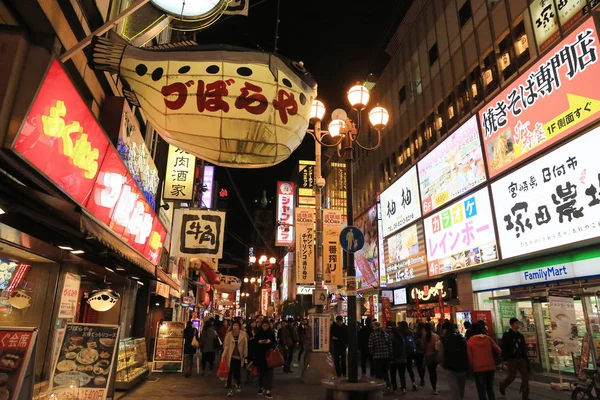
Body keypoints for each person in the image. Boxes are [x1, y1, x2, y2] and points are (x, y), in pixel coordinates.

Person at [468, 322, 502, 400]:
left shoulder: (470, 341)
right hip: (490, 367)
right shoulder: (488, 338)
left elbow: (469, 357)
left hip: (478, 368)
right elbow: (499, 350)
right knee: (490, 388)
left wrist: (470, 369)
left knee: (481, 390)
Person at [500, 318, 530, 400]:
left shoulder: (520, 335)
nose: (518, 325)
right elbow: (503, 347)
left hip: (521, 358)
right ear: (512, 324)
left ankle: (525, 396)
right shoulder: (506, 335)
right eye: (516, 323)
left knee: (525, 377)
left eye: (518, 323)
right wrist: (504, 359)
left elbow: (523, 347)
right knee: (512, 376)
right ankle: (503, 385)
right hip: (511, 358)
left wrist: (526, 359)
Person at [438, 321, 468, 400]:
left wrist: (442, 363)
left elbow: (441, 354)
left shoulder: (444, 340)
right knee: (461, 389)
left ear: (446, 330)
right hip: (463, 366)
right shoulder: (461, 338)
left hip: (450, 367)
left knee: (455, 390)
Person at [222, 321, 248, 397]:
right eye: (234, 325)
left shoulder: (243, 335)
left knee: (238, 372)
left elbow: (245, 346)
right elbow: (226, 346)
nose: (235, 327)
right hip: (230, 356)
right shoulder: (229, 335)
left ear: (239, 327)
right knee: (229, 373)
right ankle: (229, 389)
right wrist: (223, 355)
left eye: (237, 325)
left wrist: (246, 355)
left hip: (239, 357)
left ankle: (238, 383)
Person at [255, 319, 276, 399]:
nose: (265, 327)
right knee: (260, 373)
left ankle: (268, 390)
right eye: (263, 326)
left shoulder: (271, 333)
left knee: (269, 374)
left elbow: (274, 344)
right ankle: (261, 387)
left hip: (269, 356)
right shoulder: (258, 333)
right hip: (260, 356)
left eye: (266, 326)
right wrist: (259, 342)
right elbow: (254, 343)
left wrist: (270, 342)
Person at [369, 321, 392, 389]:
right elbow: (390, 346)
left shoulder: (373, 335)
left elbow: (370, 346)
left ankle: (379, 387)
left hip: (377, 356)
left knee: (378, 373)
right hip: (386, 356)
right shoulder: (386, 334)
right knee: (385, 372)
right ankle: (388, 385)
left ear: (375, 326)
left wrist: (373, 353)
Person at [399, 321, 418, 391]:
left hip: (403, 353)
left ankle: (403, 387)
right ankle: (413, 383)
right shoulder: (410, 332)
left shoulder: (400, 333)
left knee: (402, 370)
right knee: (410, 368)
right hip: (410, 352)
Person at [422, 322, 440, 395]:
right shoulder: (436, 336)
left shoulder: (424, 336)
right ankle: (435, 387)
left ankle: (434, 388)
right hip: (435, 356)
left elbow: (423, 347)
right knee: (434, 372)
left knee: (431, 372)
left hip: (428, 357)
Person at [389, 326, 408, 393]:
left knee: (393, 374)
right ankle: (403, 388)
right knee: (402, 374)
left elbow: (391, 349)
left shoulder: (392, 339)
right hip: (403, 359)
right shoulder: (401, 338)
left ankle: (395, 388)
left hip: (395, 359)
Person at [245, 319, 258, 383]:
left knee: (254, 362)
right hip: (249, 348)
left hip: (255, 348)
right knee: (249, 362)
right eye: (252, 323)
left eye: (255, 323)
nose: (253, 324)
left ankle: (253, 375)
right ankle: (248, 377)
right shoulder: (247, 331)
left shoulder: (257, 330)